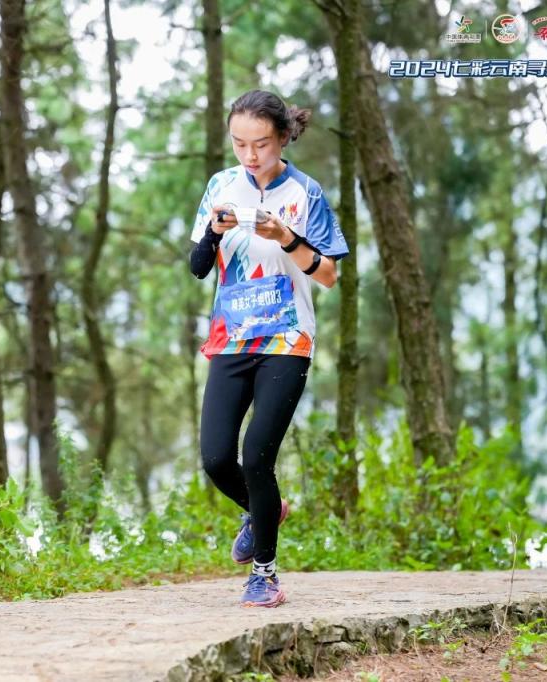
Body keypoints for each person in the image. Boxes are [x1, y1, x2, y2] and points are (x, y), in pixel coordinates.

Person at [188, 89, 349, 608]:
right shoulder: (221, 185)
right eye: (239, 144)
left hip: (287, 338)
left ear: (283, 137)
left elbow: (328, 274)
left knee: (257, 454)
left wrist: (286, 237)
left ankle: (264, 575)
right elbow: (197, 267)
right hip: (232, 338)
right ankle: (265, 510)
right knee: (217, 457)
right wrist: (213, 233)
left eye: (260, 143)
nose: (250, 155)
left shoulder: (305, 192)